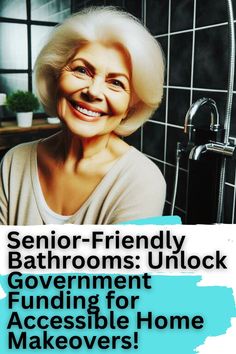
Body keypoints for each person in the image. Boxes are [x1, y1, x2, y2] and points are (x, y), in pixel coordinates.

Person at [0, 6, 166, 225]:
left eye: (116, 83)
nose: (93, 91)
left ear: (131, 107)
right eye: (81, 70)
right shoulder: (14, 162)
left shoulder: (142, 181)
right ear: (55, 75)